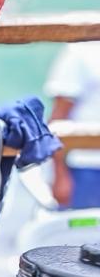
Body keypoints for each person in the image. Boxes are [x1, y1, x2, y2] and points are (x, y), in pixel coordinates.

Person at [45, 41, 100, 209]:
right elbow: (58, 119)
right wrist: (59, 173)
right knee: (85, 233)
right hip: (85, 167)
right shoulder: (81, 51)